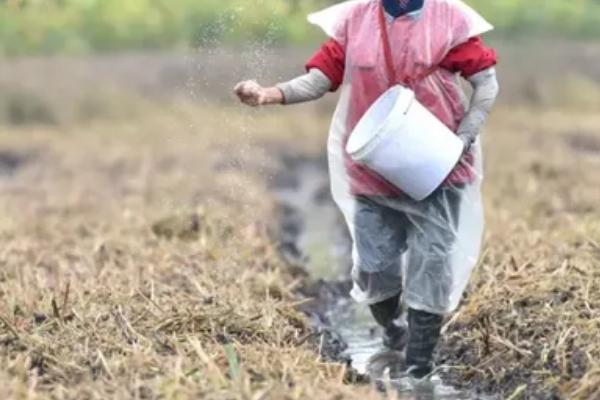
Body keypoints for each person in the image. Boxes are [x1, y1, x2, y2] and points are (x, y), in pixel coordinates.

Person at [234, 0, 499, 380]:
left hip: (439, 166)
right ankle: (393, 330)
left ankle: (418, 368)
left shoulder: (447, 18)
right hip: (374, 169)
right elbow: (320, 79)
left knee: (432, 265)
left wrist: (464, 136)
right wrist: (267, 94)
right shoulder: (356, 21)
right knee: (376, 270)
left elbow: (486, 83)